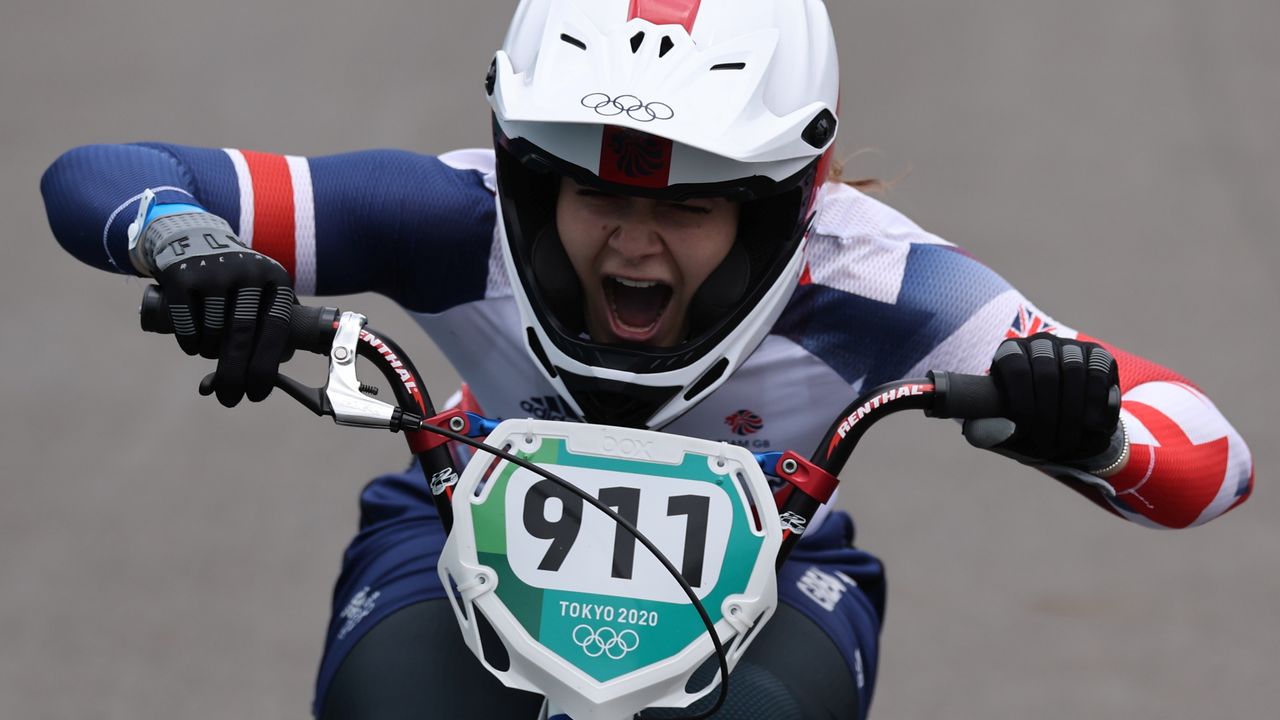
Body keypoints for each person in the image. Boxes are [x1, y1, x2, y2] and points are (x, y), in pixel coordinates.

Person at [39, 0, 1253, 718]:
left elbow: (1213, 457)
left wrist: (1086, 424)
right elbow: (105, 169)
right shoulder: (452, 217)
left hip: (776, 570)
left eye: (686, 209)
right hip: (449, 522)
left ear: (781, 207)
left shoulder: (874, 276)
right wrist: (195, 248)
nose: (629, 243)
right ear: (523, 174)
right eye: (589, 193)